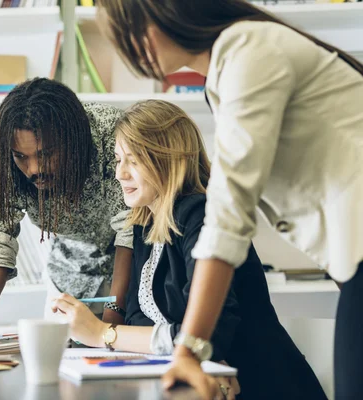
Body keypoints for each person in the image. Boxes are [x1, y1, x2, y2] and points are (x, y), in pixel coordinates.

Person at [97, 1, 363, 399]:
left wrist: (189, 348)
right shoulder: (225, 73)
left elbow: (229, 214)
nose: (128, 52)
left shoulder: (248, 53)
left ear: (157, 18)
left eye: (126, 36)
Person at [52, 100, 326, 400]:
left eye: (132, 160)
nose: (120, 174)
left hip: (263, 386)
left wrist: (103, 334)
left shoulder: (201, 214)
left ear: (168, 159)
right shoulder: (146, 224)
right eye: (118, 160)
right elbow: (138, 319)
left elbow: (211, 334)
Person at [0, 78, 133, 339]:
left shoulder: (114, 138)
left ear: (73, 142)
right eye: (22, 157)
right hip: (69, 275)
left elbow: (130, 232)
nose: (34, 169)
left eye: (46, 154)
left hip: (135, 269)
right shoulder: (5, 174)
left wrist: (107, 327)